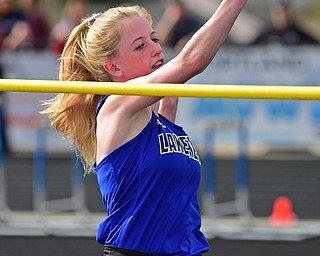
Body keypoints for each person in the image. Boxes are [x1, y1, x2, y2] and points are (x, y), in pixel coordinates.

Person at [41, 0, 247, 255]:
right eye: (140, 46)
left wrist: (177, 68)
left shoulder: (161, 122)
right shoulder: (116, 106)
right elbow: (192, 61)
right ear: (114, 68)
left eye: (154, 39)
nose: (155, 49)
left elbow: (176, 83)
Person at [253, 0, 318, 45]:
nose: (282, 17)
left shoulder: (299, 34)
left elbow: (315, 46)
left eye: (285, 13)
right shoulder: (266, 35)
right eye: (278, 13)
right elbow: (250, 48)